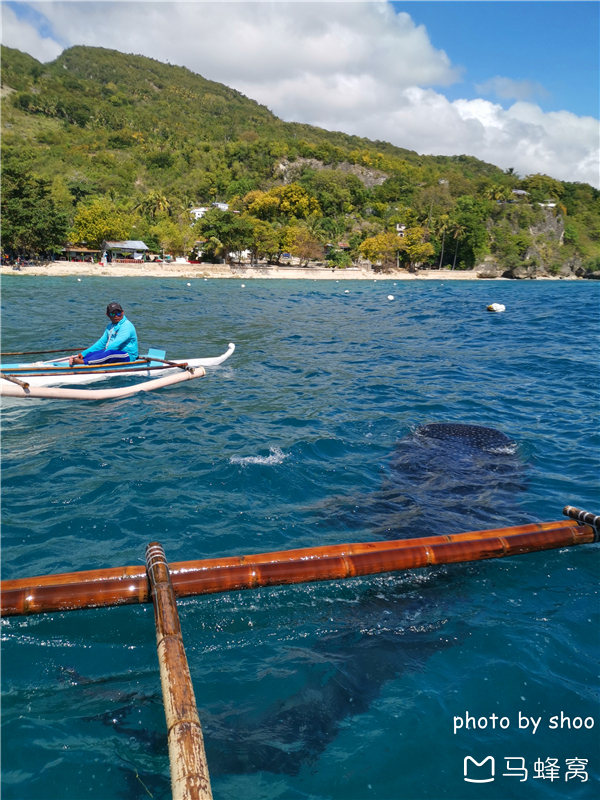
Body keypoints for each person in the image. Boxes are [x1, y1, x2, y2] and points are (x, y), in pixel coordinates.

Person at [69, 303, 139, 366]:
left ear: (122, 312)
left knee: (109, 354)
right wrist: (84, 353)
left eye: (118, 313)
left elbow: (116, 344)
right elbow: (101, 343)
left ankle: (80, 362)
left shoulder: (127, 326)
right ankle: (84, 360)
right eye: (112, 314)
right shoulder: (109, 327)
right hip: (114, 352)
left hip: (128, 355)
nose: (116, 316)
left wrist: (103, 355)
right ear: (107, 315)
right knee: (91, 354)